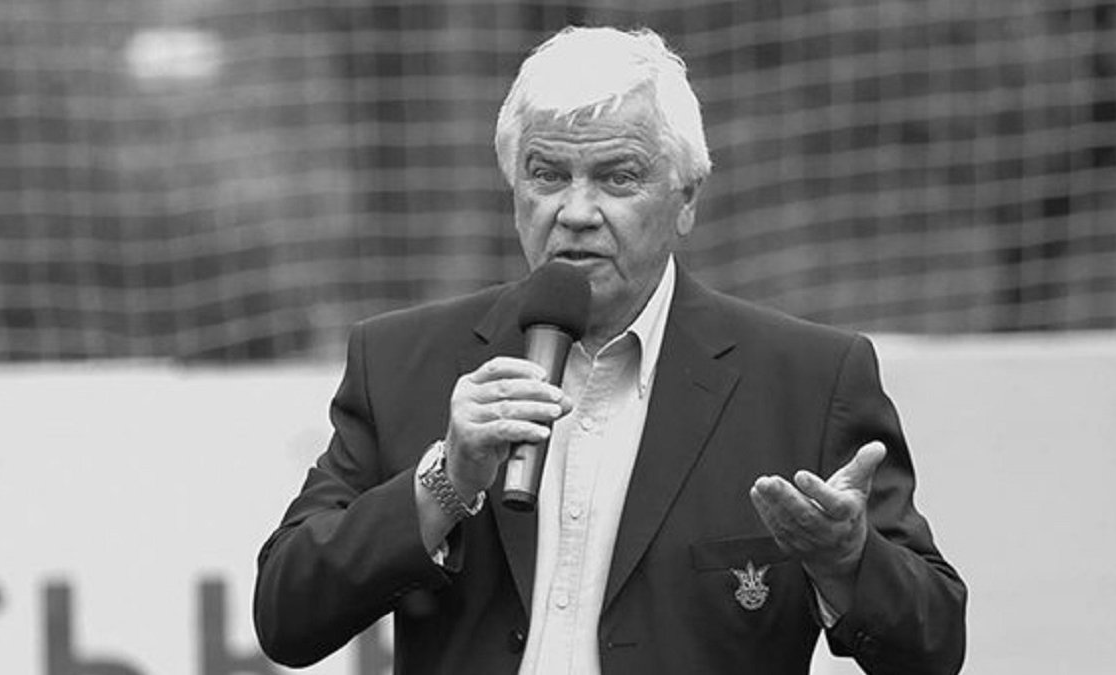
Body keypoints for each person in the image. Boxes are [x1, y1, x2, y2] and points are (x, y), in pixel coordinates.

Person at [254, 26, 966, 675]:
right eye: (546, 175)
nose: (575, 212)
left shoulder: (807, 379)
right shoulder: (403, 360)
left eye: (617, 177)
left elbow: (933, 647)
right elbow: (286, 617)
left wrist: (847, 561)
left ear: (686, 199)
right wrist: (444, 484)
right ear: (512, 188)